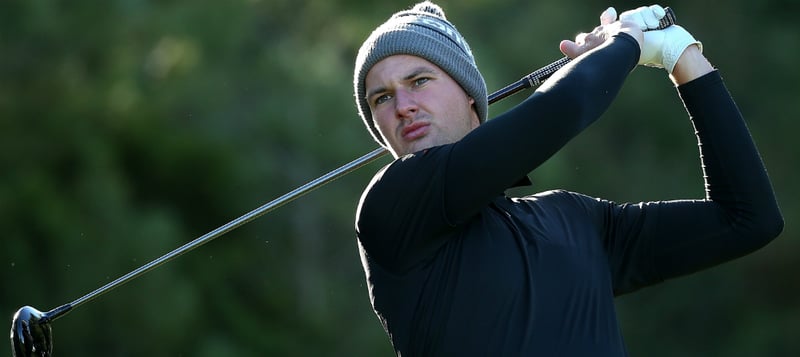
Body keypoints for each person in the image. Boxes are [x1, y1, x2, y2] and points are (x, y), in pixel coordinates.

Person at [352, 2, 784, 355]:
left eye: (419, 81)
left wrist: (681, 55)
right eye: (382, 98)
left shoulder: (576, 219)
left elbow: (748, 219)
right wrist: (626, 40)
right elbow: (562, 109)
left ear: (470, 94)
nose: (403, 105)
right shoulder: (390, 205)